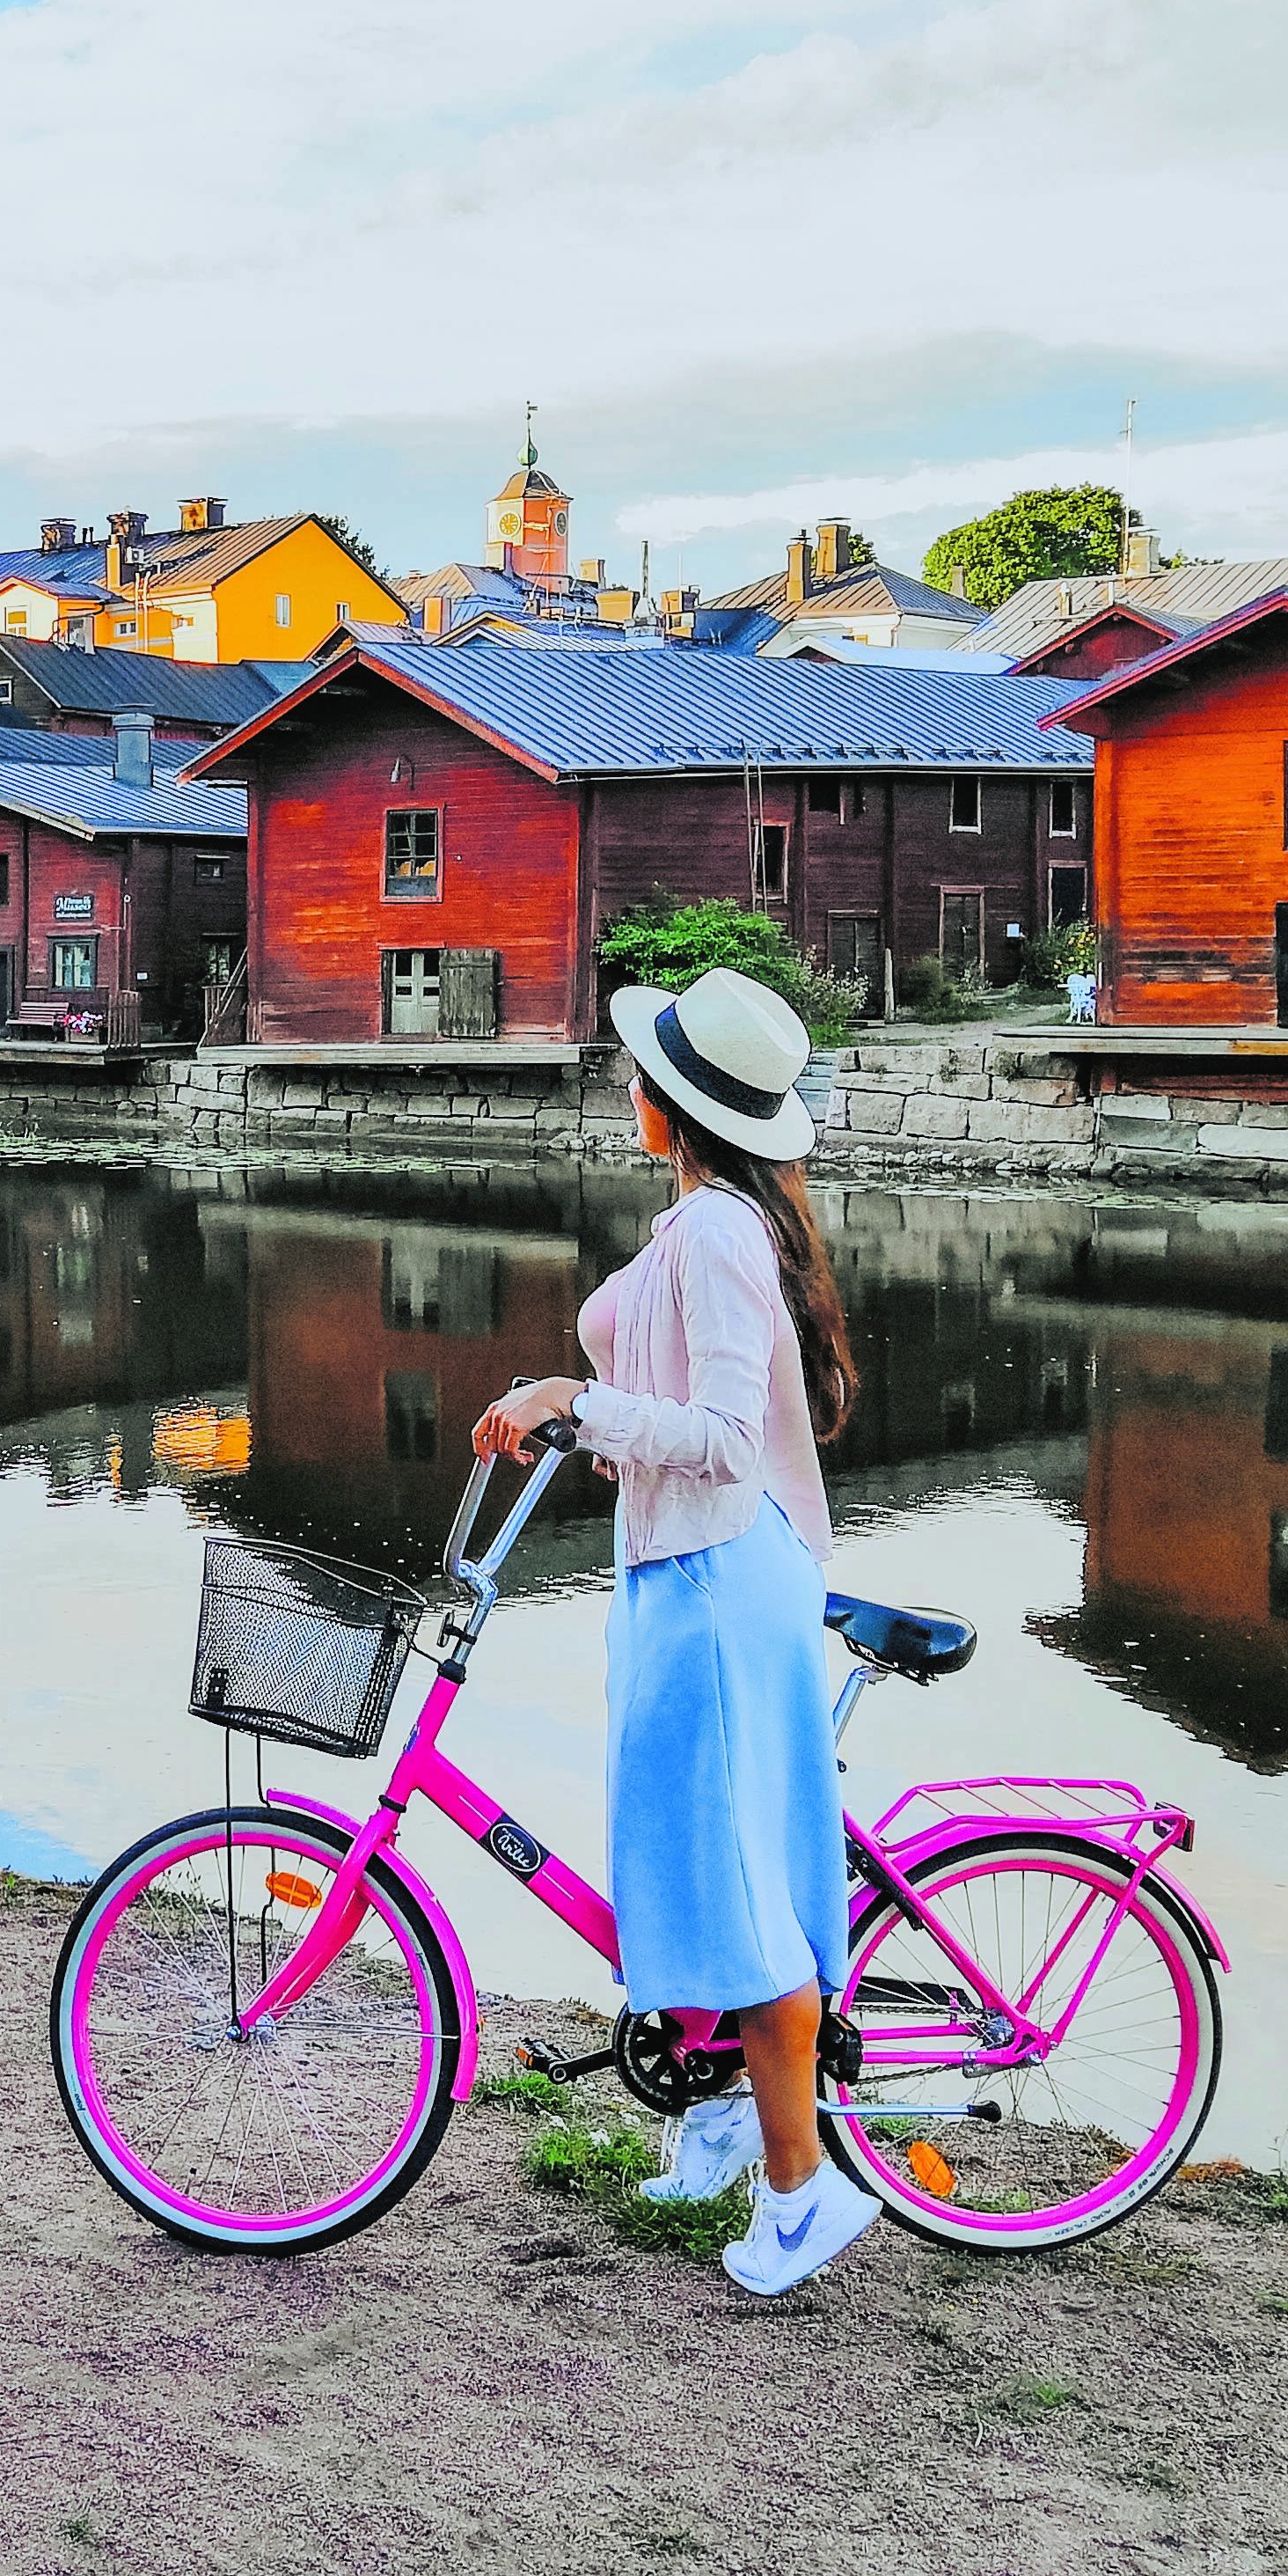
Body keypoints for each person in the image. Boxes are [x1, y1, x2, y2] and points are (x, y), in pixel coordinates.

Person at [473, 965, 872, 2297]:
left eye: (641, 1074)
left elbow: (714, 1440)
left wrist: (572, 1405)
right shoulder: (713, 1216)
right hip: (689, 1565)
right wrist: (594, 1421)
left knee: (734, 1879)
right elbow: (701, 1428)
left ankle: (803, 2198)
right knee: (697, 1857)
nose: (628, 1088)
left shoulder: (713, 1233)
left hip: (712, 1583)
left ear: (673, 1102)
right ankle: (718, 2111)